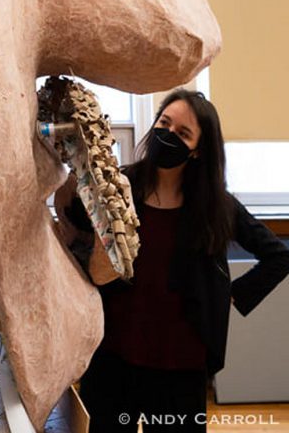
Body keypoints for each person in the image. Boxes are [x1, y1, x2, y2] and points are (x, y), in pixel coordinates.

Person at [66, 89, 289, 432]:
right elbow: (75, 219)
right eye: (163, 123)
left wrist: (230, 294)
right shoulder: (119, 186)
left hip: (180, 369)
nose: (167, 135)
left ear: (199, 149)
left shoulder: (217, 207)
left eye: (183, 133)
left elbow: (279, 256)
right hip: (112, 359)